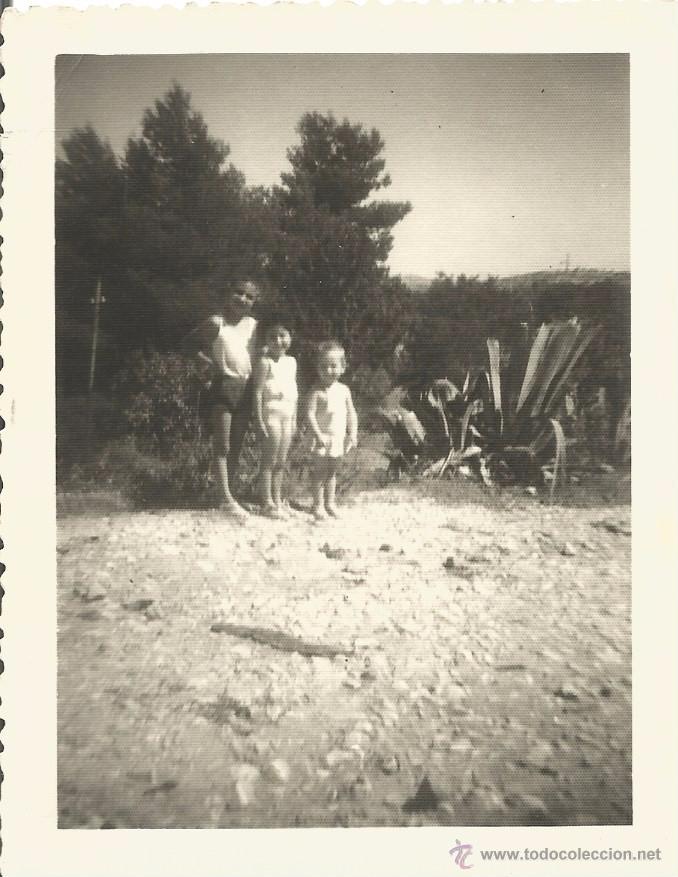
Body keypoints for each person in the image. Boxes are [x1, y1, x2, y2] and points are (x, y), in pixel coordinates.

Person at [182, 279, 260, 517]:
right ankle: (225, 498)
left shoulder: (254, 326)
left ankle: (228, 495)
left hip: (246, 388)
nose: (243, 299)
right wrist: (212, 364)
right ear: (229, 293)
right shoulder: (217, 323)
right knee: (223, 443)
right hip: (223, 386)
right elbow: (188, 345)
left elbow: (257, 355)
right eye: (239, 292)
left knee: (236, 444)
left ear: (254, 302)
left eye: (249, 296)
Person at [306, 341, 359, 520]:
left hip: (338, 438)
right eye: (324, 366)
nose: (329, 370)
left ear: (343, 367)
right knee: (320, 472)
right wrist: (317, 434)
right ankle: (317, 504)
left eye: (333, 366)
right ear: (317, 368)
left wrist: (352, 433)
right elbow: (310, 414)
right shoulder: (316, 392)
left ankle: (330, 503)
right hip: (322, 438)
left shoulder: (344, 390)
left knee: (332, 472)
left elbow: (352, 413)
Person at [253, 323, 298, 517]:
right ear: (267, 341)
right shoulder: (265, 363)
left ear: (290, 338)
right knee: (269, 460)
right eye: (273, 337)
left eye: (283, 335)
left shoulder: (292, 362)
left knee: (281, 460)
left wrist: (295, 418)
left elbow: (294, 391)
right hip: (271, 413)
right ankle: (266, 502)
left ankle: (278, 499)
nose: (278, 341)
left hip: (288, 414)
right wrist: (259, 420)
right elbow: (257, 392)